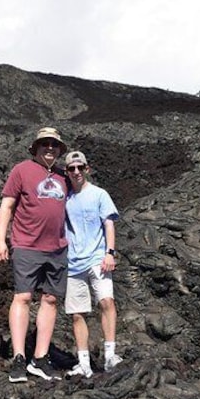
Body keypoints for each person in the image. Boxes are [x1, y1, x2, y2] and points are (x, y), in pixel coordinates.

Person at [0, 126, 69, 382]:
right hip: (26, 245)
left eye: (54, 145)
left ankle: (40, 358)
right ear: (35, 148)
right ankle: (18, 358)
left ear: (59, 150)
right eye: (44, 144)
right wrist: (0, 240)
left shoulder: (63, 176)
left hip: (58, 248)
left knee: (50, 300)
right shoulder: (21, 170)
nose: (50, 148)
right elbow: (7, 206)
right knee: (23, 297)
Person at [62, 150, 122, 378]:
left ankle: (110, 356)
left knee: (107, 302)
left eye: (80, 167)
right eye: (71, 168)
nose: (76, 172)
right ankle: (84, 362)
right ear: (67, 172)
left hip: (98, 258)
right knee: (77, 313)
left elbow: (109, 224)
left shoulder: (99, 194)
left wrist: (109, 253)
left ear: (87, 169)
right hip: (73, 262)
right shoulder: (65, 198)